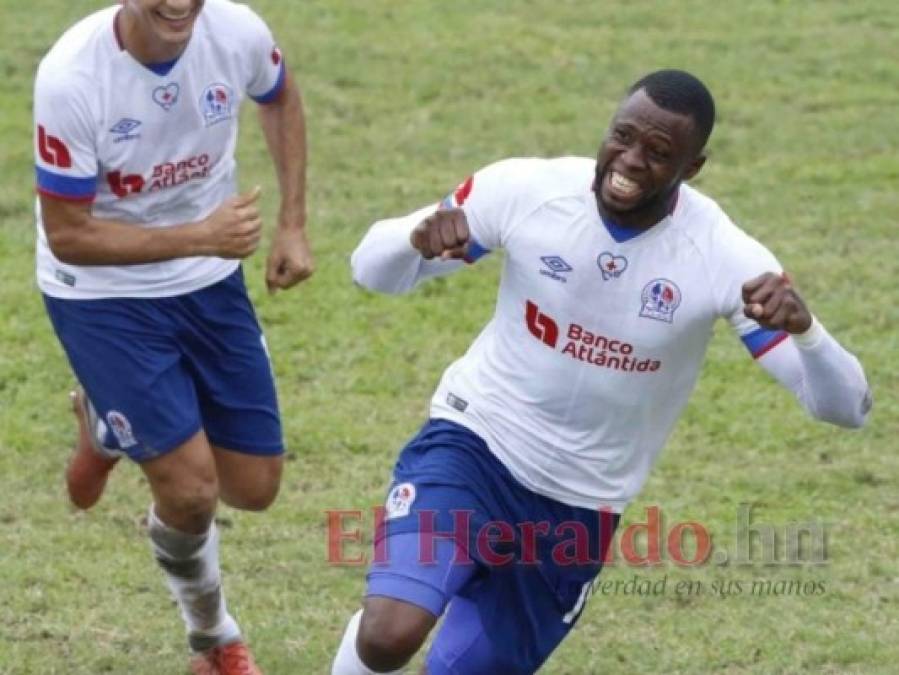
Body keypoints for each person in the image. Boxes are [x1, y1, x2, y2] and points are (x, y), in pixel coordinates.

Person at [333, 69, 872, 674]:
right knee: (388, 634)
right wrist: (412, 240)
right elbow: (368, 271)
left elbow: (845, 407)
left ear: (692, 169)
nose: (630, 160)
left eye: (659, 153)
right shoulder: (528, 191)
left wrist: (808, 332)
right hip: (473, 446)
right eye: (622, 136)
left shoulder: (724, 257)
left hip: (578, 508)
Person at [33, 1, 312, 673]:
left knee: (255, 486)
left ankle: (106, 424)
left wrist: (292, 223)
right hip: (103, 294)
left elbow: (279, 97)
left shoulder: (236, 32)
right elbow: (69, 235)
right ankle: (212, 636)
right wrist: (199, 236)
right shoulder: (72, 77)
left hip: (208, 282)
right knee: (191, 491)